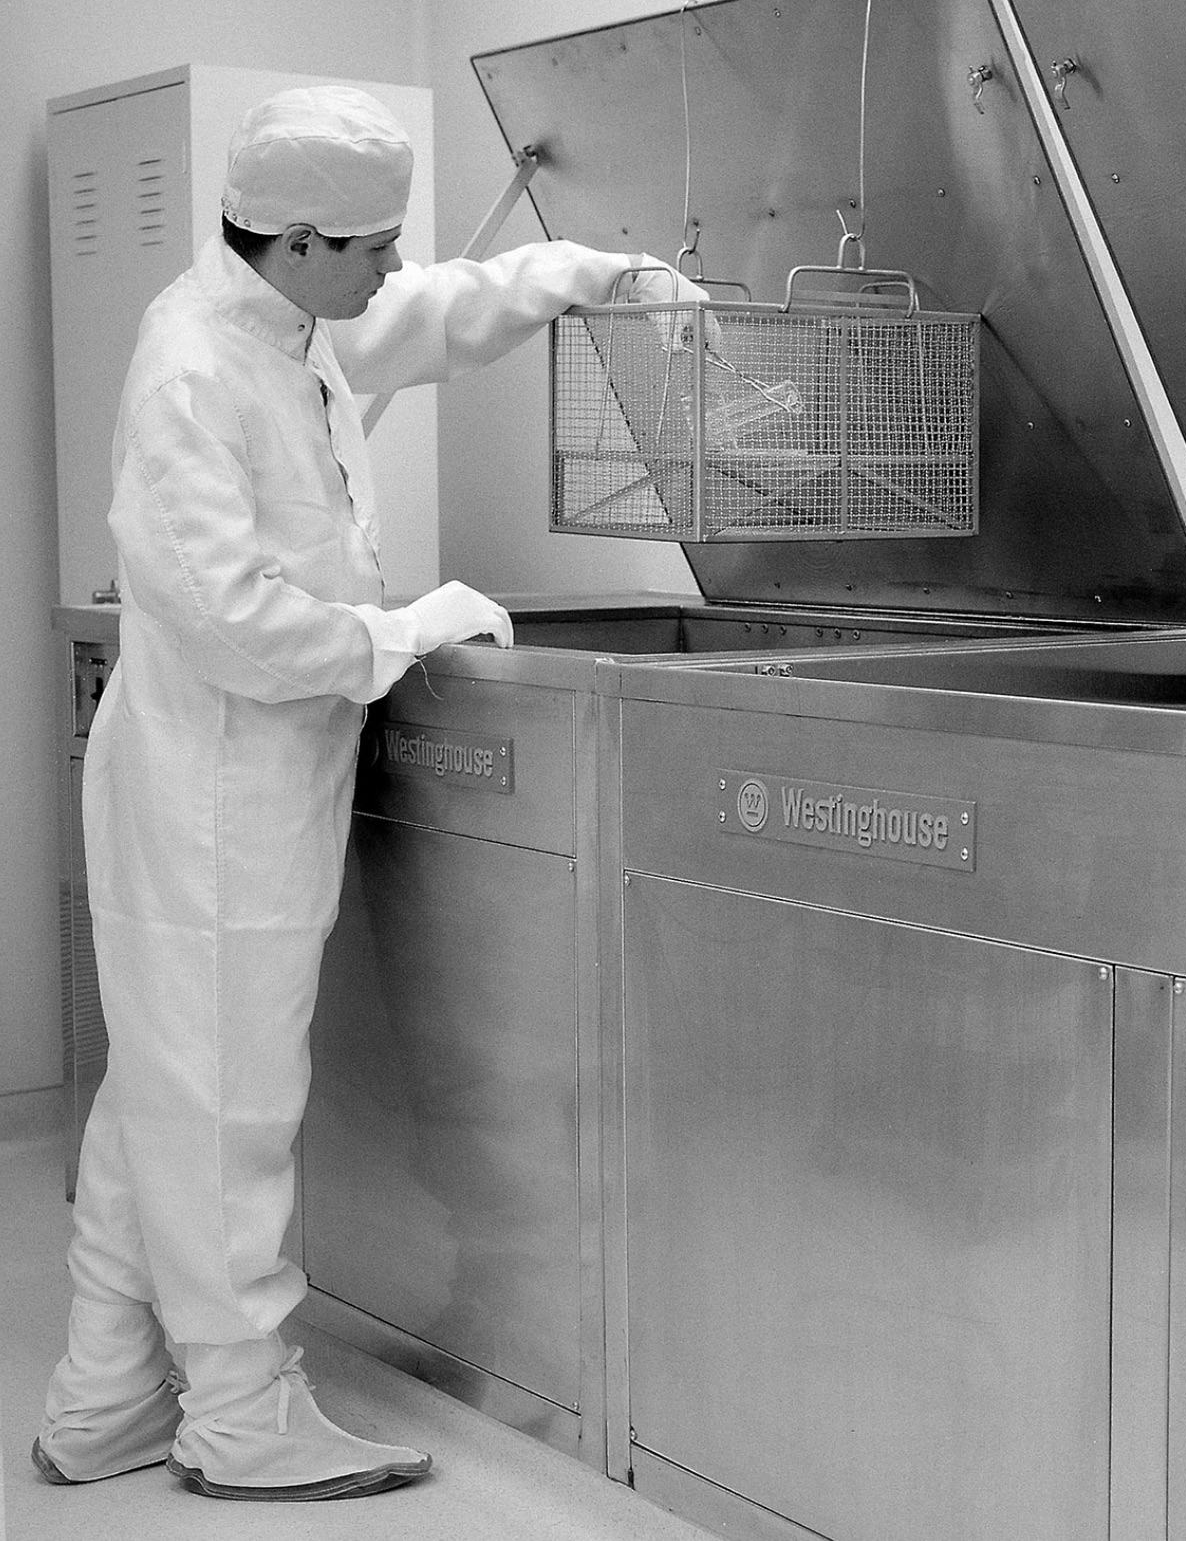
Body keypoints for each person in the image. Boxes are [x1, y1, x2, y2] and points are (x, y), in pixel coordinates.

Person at [31, 85, 699, 1502]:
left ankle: (104, 1396)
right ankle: (241, 1415)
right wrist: (404, 630)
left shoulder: (292, 316)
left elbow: (440, 310)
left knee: (160, 1093)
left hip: (244, 779)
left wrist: (599, 274)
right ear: (300, 241)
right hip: (214, 794)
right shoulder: (194, 370)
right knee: (226, 1112)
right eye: (374, 246)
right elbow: (234, 620)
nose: (394, 268)